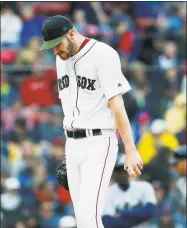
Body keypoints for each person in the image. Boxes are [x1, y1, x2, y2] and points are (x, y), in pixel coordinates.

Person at [40, 15, 143, 228]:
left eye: (56, 44)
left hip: (98, 142)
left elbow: (117, 105)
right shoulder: (62, 59)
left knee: (89, 219)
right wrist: (70, 151)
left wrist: (130, 149)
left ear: (71, 33)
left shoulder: (103, 54)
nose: (55, 51)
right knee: (83, 219)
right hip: (73, 144)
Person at [102, 154, 157, 228]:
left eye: (123, 170)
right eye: (118, 171)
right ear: (112, 173)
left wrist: (123, 214)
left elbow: (150, 212)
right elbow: (108, 223)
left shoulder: (145, 186)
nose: (121, 174)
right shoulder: (107, 193)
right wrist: (140, 216)